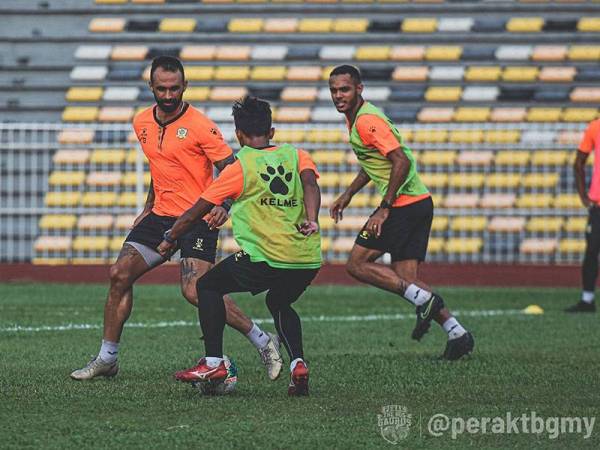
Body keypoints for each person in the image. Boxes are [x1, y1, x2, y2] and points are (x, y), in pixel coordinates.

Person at [70, 56, 282, 381]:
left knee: (196, 290)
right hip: (159, 217)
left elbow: (233, 168)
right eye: (162, 89)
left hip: (197, 217)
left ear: (185, 86)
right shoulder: (141, 122)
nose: (169, 95)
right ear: (151, 87)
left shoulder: (200, 125)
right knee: (119, 274)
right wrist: (148, 204)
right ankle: (107, 358)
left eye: (175, 88)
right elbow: (162, 168)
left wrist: (223, 203)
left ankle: (263, 341)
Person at [157, 96, 321, 396]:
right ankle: (298, 363)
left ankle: (213, 361)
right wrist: (312, 219)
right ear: (272, 131)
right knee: (279, 302)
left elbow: (197, 209)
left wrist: (170, 237)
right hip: (306, 257)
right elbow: (311, 184)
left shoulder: (240, 165)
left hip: (266, 256)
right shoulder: (297, 155)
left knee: (207, 286)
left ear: (239, 135)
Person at [327, 65, 474, 360]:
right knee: (406, 278)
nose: (338, 95)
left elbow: (401, 161)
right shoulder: (358, 118)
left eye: (344, 89)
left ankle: (428, 301)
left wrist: (384, 208)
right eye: (333, 90)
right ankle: (458, 334)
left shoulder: (366, 121)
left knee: (356, 264)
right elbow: (377, 162)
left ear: (359, 89)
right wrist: (349, 193)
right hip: (418, 202)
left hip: (403, 206)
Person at [565, 119, 600, 313]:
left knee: (592, 250)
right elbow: (579, 162)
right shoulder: (595, 127)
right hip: (598, 206)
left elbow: (579, 163)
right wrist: (583, 196)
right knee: (592, 250)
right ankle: (587, 300)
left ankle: (587, 300)